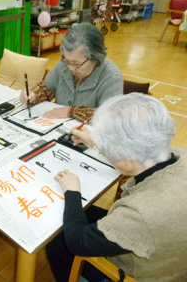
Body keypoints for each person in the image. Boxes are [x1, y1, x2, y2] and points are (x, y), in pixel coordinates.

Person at [45, 93, 187, 282]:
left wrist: (72, 193)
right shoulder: (179, 155)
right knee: (86, 213)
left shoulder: (141, 212)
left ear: (125, 159)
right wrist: (97, 141)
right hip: (166, 250)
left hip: (140, 274)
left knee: (56, 242)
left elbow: (77, 243)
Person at [20, 22, 123, 122]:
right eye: (67, 61)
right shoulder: (65, 64)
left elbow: (111, 116)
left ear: (95, 57)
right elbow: (47, 89)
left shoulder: (111, 77)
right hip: (56, 128)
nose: (70, 68)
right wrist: (33, 95)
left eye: (76, 64)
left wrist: (72, 111)